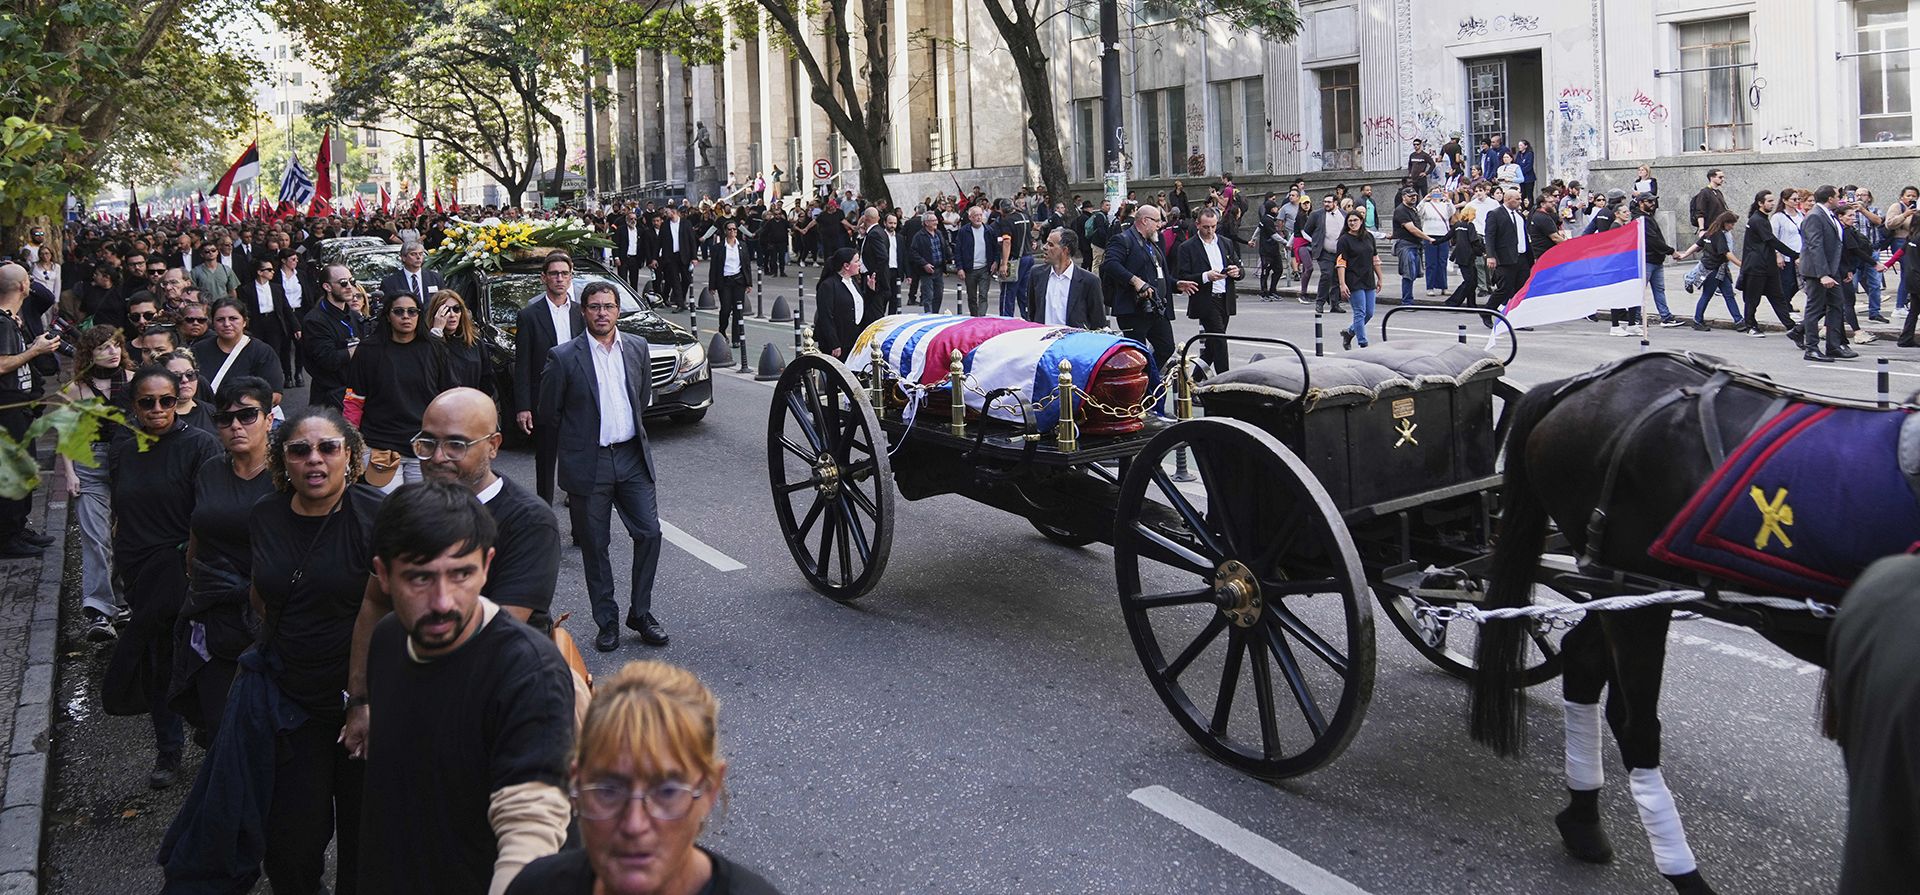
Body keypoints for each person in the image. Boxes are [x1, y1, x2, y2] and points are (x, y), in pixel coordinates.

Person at [356, 481, 575, 895]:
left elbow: (530, 822)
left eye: (461, 574)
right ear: (383, 574)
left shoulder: (528, 672)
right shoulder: (389, 639)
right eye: (420, 578)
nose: (443, 601)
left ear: (487, 565)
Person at [249, 406, 383, 892]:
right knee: (291, 843)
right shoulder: (265, 514)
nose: (315, 460)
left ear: (349, 456)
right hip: (291, 702)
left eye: (328, 448)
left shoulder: (378, 516)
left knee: (364, 837)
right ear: (283, 461)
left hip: (365, 704)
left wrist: (364, 700)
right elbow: (261, 593)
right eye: (300, 450)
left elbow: (396, 610)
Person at [506, 661, 781, 895]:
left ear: (709, 790)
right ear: (576, 783)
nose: (634, 825)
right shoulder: (535, 887)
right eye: (608, 790)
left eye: (668, 791)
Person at [106, 365, 223, 789]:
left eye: (166, 400)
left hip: (183, 567)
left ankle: (212, 740)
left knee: (198, 657)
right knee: (158, 659)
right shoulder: (123, 445)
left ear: (178, 401)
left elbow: (209, 512)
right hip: (138, 568)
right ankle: (168, 750)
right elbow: (120, 505)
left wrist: (193, 563)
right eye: (147, 402)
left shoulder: (199, 445)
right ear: (133, 405)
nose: (157, 409)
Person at [539, 282, 666, 651]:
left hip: (631, 458)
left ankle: (640, 613)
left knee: (649, 533)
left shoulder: (637, 348)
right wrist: (579, 442)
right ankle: (606, 621)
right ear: (584, 311)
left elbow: (640, 399)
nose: (601, 313)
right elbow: (549, 413)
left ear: (618, 310)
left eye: (608, 306)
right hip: (588, 464)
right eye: (594, 307)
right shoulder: (563, 357)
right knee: (595, 546)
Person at [174, 376, 277, 738]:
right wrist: (194, 577)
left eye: (248, 415)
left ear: (269, 419)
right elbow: (197, 530)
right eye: (225, 418)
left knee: (264, 723)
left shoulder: (288, 476)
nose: (235, 425)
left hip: (267, 614)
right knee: (219, 722)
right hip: (213, 611)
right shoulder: (210, 470)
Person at [56, 325, 133, 641]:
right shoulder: (75, 389)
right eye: (103, 347)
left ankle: (122, 600)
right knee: (96, 537)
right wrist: (69, 474)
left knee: (126, 535)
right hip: (89, 463)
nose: (112, 351)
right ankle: (99, 611)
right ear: (89, 353)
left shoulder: (133, 379)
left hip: (128, 462)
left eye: (116, 345)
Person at [351, 290, 451, 490]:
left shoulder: (434, 348)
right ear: (388, 316)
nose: (406, 316)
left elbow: (447, 396)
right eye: (399, 311)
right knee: (385, 513)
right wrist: (352, 441)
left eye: (412, 311)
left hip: (424, 445)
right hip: (380, 445)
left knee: (422, 513)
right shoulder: (368, 350)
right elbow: (355, 399)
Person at [514, 251, 585, 504]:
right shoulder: (529, 316)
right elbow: (522, 365)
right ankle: (544, 509)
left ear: (571, 277)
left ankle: (576, 505)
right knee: (545, 458)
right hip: (545, 398)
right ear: (544, 278)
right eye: (554, 274)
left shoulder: (581, 312)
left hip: (577, 396)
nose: (559, 279)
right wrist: (523, 407)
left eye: (564, 274)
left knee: (577, 454)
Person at [0, 264, 60, 558]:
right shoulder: (1, 322)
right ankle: (6, 538)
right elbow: (1, 364)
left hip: (20, 406)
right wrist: (35, 350)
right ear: (24, 286)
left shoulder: (13, 320)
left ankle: (17, 527)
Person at [1101, 205, 1176, 367]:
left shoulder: (1153, 242)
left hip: (1155, 307)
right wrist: (1135, 281)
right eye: (1157, 221)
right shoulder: (1123, 240)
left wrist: (1177, 284)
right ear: (1145, 220)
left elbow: (1158, 274)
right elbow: (1111, 264)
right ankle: (1141, 386)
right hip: (1133, 309)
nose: (1160, 225)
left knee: (1166, 347)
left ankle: (1149, 378)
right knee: (1137, 355)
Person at [1173, 208, 1241, 372]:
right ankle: (1224, 384)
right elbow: (1182, 275)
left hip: (1225, 298)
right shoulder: (1187, 247)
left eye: (1213, 226)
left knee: (1212, 344)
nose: (1210, 230)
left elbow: (1238, 266)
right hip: (1206, 300)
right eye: (1205, 227)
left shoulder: (1225, 242)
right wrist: (1205, 276)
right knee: (1219, 339)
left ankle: (1195, 380)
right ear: (1197, 225)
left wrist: (1236, 272)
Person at [192, 297, 286, 409]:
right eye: (220, 319)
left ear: (244, 321)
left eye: (233, 318)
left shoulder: (262, 352)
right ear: (213, 322)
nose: (227, 324)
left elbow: (275, 395)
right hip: (205, 418)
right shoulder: (198, 349)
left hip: (245, 418)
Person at [304, 262, 369, 409]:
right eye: (343, 283)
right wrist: (358, 349)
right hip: (330, 399)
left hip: (356, 392)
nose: (349, 287)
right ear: (327, 287)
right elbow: (328, 359)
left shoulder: (353, 315)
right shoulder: (314, 320)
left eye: (352, 281)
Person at [1797, 186, 1852, 362]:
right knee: (1814, 308)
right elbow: (1815, 246)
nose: (1840, 199)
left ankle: (1834, 346)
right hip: (1817, 271)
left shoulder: (1828, 214)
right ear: (1829, 198)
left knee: (1837, 305)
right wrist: (1823, 275)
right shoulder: (1815, 216)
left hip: (1831, 269)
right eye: (1838, 196)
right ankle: (1811, 348)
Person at [1738, 191, 1798, 338]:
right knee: (1753, 299)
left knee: (1778, 297)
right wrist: (1794, 254)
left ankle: (1791, 327)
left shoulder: (1763, 219)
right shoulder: (1757, 220)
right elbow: (1772, 240)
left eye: (1773, 201)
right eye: (1769, 201)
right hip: (1756, 266)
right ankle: (1750, 326)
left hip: (1768, 266)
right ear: (1760, 203)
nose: (1772, 203)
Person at [1024, 227, 1105, 330]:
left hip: (1073, 343)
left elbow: (1098, 322)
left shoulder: (1089, 281)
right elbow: (1032, 312)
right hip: (1043, 341)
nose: (1044, 247)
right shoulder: (1036, 274)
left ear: (1065, 250)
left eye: (1051, 245)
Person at [1674, 211, 1743, 332]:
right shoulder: (1719, 235)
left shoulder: (1709, 233)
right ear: (1725, 223)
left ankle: (1739, 321)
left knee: (1728, 295)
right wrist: (1741, 265)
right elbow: (1726, 253)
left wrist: (1684, 255)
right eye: (1731, 224)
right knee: (1708, 295)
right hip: (1713, 269)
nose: (1732, 227)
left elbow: (1696, 245)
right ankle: (1697, 320)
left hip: (1716, 269)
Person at [429, 290, 494, 395]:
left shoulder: (474, 340)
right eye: (445, 311)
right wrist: (437, 332)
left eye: (456, 309)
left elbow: (486, 376)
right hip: (442, 406)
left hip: (473, 403)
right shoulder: (430, 342)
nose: (452, 314)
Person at [811, 248, 870, 360]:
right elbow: (825, 316)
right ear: (846, 266)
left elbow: (858, 306)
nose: (860, 264)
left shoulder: (852, 282)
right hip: (838, 343)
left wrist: (871, 292)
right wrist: (834, 344)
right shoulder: (828, 285)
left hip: (853, 339)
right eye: (856, 261)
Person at [1633, 193, 1682, 327]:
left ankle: (1665, 316)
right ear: (1641, 203)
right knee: (1640, 290)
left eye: (1653, 201)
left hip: (1655, 259)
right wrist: (1671, 251)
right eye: (1649, 202)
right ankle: (1636, 318)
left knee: (1659, 289)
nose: (1652, 204)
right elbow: (1652, 240)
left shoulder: (1647, 217)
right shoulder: (1640, 218)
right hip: (1647, 259)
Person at [1335, 213, 1381, 350]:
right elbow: (1341, 263)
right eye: (1350, 221)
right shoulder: (1344, 240)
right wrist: (1342, 284)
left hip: (1368, 278)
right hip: (1353, 279)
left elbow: (1375, 258)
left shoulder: (1369, 237)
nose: (1353, 223)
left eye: (1355, 220)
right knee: (1360, 312)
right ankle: (1363, 344)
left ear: (1361, 221)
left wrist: (1380, 278)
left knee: (1369, 313)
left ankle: (1349, 332)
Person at [1485, 188, 1532, 319]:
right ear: (1507, 199)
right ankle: (1488, 311)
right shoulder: (1495, 214)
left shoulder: (1519, 215)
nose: (1520, 201)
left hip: (1522, 257)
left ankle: (1516, 318)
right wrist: (1490, 255)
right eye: (1517, 199)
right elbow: (1490, 236)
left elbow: (1523, 236)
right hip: (1505, 257)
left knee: (1521, 289)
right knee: (1504, 289)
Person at [709, 219, 754, 338]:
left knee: (738, 310)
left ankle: (736, 337)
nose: (733, 231)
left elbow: (746, 265)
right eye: (730, 229)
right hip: (724, 282)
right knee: (725, 309)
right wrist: (712, 286)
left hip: (739, 281)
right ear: (725, 231)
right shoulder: (718, 248)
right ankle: (722, 330)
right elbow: (714, 267)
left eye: (735, 229)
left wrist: (749, 283)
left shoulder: (742, 246)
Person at [1389, 190, 1431, 307]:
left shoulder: (1412, 209)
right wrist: (1428, 238)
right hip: (1406, 245)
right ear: (1403, 197)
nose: (1413, 198)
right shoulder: (1401, 210)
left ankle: (1408, 300)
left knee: (1412, 273)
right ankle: (1407, 302)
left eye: (1415, 196)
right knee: (1408, 273)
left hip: (1414, 245)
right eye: (1410, 196)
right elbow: (1412, 229)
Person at [953, 206, 997, 317]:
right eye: (975, 216)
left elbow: (996, 248)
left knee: (983, 295)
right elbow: (958, 250)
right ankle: (974, 317)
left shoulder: (989, 230)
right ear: (970, 217)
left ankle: (981, 318)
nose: (978, 218)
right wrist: (960, 268)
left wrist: (995, 262)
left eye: (980, 215)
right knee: (972, 297)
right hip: (970, 269)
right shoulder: (964, 231)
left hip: (984, 268)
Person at [378, 239, 445, 308]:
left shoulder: (435, 278)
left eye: (420, 254)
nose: (418, 257)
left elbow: (443, 302)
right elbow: (386, 309)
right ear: (403, 257)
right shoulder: (390, 282)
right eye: (413, 254)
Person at [861, 210, 904, 316]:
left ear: (865, 218)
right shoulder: (880, 232)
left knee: (874, 310)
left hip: (874, 278)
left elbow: (883, 257)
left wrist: (874, 274)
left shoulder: (875, 233)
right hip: (880, 277)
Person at [653, 207, 695, 309]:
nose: (665, 214)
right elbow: (659, 242)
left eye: (667, 212)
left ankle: (680, 298)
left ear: (674, 212)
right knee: (675, 280)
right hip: (670, 257)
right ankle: (680, 304)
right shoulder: (665, 225)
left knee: (687, 279)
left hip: (684, 255)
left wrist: (694, 257)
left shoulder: (686, 223)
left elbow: (692, 240)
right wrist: (654, 258)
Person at [1445, 206, 1485, 308]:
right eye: (1474, 213)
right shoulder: (1470, 225)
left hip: (1462, 256)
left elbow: (1449, 237)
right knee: (1470, 282)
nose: (1475, 215)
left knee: (1472, 281)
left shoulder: (1458, 225)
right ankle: (1453, 302)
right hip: (1468, 257)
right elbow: (1474, 240)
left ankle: (1471, 303)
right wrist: (1484, 251)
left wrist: (1435, 242)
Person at [1418, 187, 1454, 297]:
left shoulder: (1444, 205)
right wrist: (1424, 200)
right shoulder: (1427, 205)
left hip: (1443, 235)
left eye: (1438, 192)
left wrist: (1448, 200)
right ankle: (1430, 287)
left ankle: (1443, 286)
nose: (1436, 194)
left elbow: (1452, 212)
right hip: (1429, 235)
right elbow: (1418, 212)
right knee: (1431, 262)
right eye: (1434, 192)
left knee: (1442, 262)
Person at [908, 212, 947, 314]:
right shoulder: (919, 236)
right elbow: (913, 252)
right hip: (927, 270)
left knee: (939, 294)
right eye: (933, 221)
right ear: (926, 223)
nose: (936, 222)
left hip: (938, 269)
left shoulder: (938, 233)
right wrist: (924, 264)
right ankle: (928, 315)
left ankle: (935, 314)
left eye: (936, 220)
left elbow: (944, 247)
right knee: (928, 295)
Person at [1689, 169, 1729, 235]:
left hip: (1721, 229)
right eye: (1720, 177)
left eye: (1723, 177)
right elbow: (1700, 212)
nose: (1723, 179)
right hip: (1710, 229)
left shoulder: (1718, 192)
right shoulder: (1704, 193)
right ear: (1712, 178)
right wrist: (1701, 229)